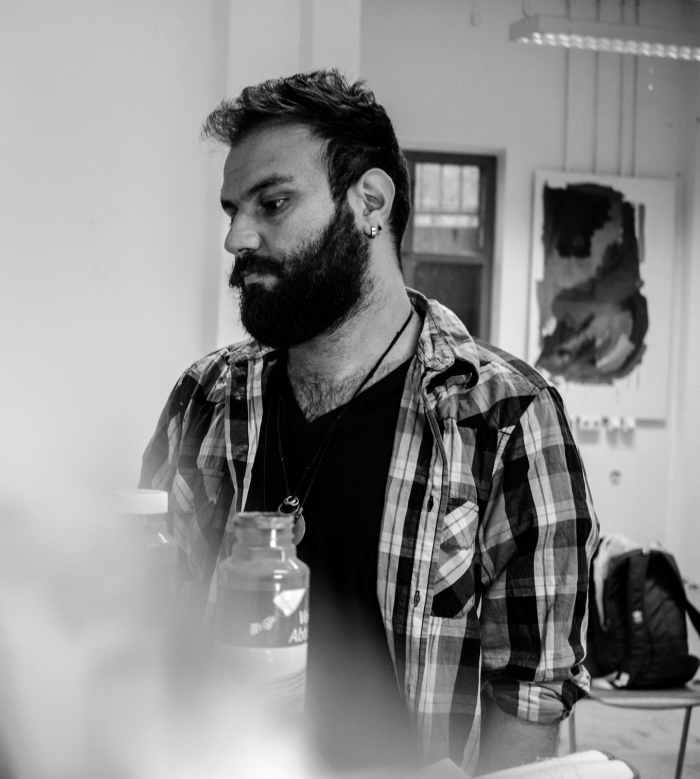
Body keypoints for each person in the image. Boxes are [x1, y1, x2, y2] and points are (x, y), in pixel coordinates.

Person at [140, 69, 598, 774]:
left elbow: (531, 700)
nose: (236, 237)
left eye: (273, 203)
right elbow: (150, 623)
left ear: (370, 203)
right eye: (232, 209)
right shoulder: (206, 398)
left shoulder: (506, 419)